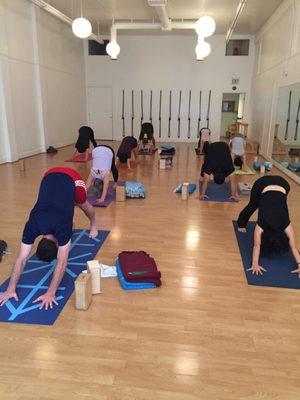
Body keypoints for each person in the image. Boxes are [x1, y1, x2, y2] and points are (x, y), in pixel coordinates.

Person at [0, 167, 98, 310]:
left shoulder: (60, 229)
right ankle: (68, 204)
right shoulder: (32, 226)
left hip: (72, 177)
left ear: (56, 244)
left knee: (82, 204)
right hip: (48, 175)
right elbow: (21, 260)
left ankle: (94, 224)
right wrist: (10, 289)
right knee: (65, 207)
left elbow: (62, 262)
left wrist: (50, 293)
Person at [237, 175, 300, 276]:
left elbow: (293, 246)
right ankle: (241, 223)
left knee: (276, 200)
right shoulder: (262, 225)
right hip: (263, 184)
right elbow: (257, 245)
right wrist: (255, 264)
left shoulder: (286, 224)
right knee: (253, 205)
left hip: (283, 184)